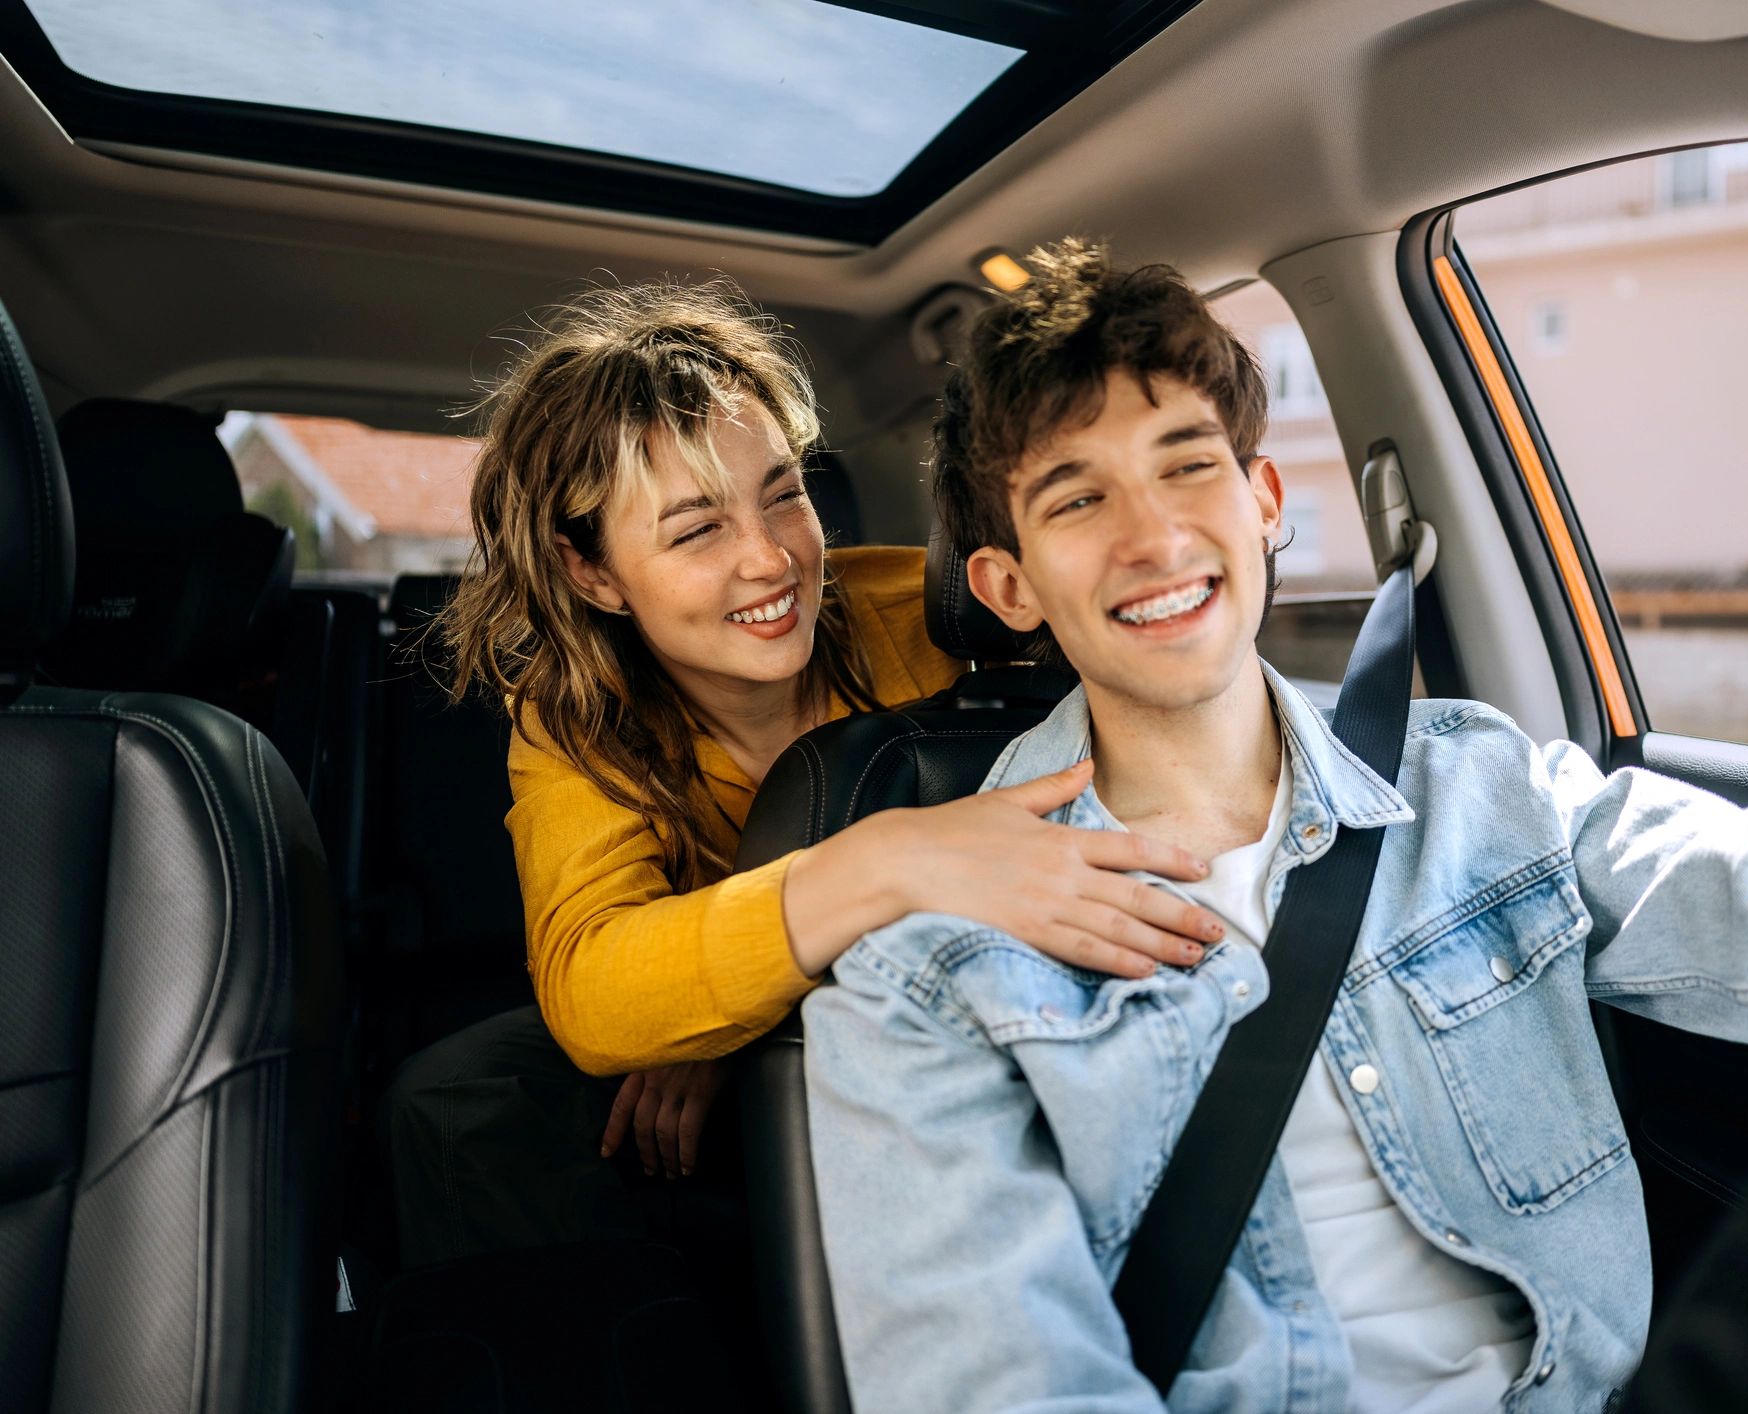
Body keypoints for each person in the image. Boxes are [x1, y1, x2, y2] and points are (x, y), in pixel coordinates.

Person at [800, 240, 1748, 1413]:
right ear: (1009, 583)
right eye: (1078, 497)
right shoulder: (922, 962)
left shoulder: (1483, 786)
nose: (1152, 534)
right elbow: (999, 1382)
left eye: (1185, 464)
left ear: (1264, 501)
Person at [383, 279, 1231, 1269]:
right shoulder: (573, 718)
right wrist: (747, 1003)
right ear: (593, 573)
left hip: (950, 1004)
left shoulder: (932, 618)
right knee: (453, 1101)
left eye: (784, 493)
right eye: (696, 528)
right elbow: (593, 991)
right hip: (744, 1003)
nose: (770, 559)